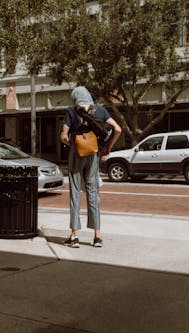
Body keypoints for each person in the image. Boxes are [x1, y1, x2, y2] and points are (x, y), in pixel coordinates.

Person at [60, 86, 121, 248]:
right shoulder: (100, 110)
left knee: (75, 192)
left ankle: (74, 236)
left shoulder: (72, 111)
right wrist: (108, 147)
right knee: (93, 191)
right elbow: (118, 129)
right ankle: (97, 236)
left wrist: (73, 143)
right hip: (93, 153)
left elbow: (63, 136)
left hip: (76, 153)